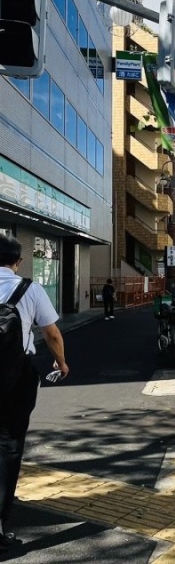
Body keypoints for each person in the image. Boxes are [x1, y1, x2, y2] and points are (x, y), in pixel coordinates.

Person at [0, 234, 69, 549]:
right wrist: (61, 363)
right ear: (17, 261)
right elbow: (51, 332)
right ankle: (1, 525)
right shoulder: (30, 289)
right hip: (15, 376)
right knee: (9, 446)